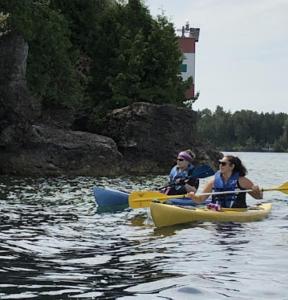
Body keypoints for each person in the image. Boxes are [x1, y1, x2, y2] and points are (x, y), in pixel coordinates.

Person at [188, 155, 263, 208]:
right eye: (220, 163)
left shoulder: (242, 181)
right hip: (217, 212)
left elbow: (259, 197)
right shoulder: (213, 182)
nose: (220, 165)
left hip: (237, 215)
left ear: (232, 166)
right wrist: (193, 196)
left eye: (223, 164)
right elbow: (200, 200)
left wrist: (256, 191)